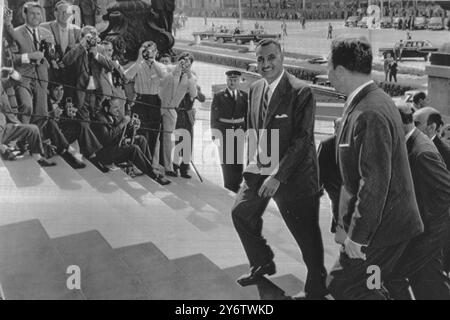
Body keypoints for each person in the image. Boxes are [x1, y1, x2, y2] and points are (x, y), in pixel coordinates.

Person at [326, 36, 423, 300]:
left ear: (341, 71)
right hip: (386, 227)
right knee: (373, 284)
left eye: (329, 66)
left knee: (345, 285)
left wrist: (358, 237)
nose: (327, 72)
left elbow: (374, 181)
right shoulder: (372, 99)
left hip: (380, 231)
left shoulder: (369, 111)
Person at [231, 39, 329, 300]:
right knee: (240, 212)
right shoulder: (254, 90)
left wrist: (278, 176)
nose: (265, 64)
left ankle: (316, 287)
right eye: (260, 59)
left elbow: (303, 139)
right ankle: (262, 262)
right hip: (262, 168)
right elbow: (255, 130)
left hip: (295, 176)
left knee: (306, 235)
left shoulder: (301, 91)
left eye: (271, 57)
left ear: (282, 57)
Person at [383, 105, 450, 300]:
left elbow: (446, 190)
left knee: (395, 275)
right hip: (422, 229)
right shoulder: (410, 143)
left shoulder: (422, 152)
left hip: (429, 230)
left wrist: (426, 225)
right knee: (429, 280)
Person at [91, 98, 170, 185]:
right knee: (133, 149)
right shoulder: (100, 118)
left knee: (141, 139)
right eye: (115, 107)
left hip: (117, 145)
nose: (118, 110)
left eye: (119, 107)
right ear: (106, 108)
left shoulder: (115, 114)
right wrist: (122, 124)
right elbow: (107, 138)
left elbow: (125, 131)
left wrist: (133, 126)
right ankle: (154, 175)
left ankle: (149, 168)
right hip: (105, 153)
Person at [8, 2, 54, 124]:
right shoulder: (15, 33)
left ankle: (33, 140)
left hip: (41, 78)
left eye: (38, 14)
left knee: (42, 114)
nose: (36, 16)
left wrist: (50, 56)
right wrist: (29, 56)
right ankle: (23, 138)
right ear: (25, 14)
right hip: (22, 77)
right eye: (32, 13)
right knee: (26, 107)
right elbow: (10, 57)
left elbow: (52, 55)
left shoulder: (47, 33)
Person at [47, 83, 106, 172]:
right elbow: (48, 122)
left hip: (62, 133)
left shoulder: (61, 103)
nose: (60, 93)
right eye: (56, 90)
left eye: (61, 89)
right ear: (49, 91)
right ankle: (87, 157)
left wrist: (70, 115)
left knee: (81, 124)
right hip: (53, 137)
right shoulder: (46, 103)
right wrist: (54, 114)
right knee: (80, 126)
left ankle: (92, 156)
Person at [125, 41, 169, 161]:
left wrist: (152, 61)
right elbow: (127, 76)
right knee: (140, 131)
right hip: (141, 99)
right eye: (146, 50)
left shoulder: (160, 66)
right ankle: (139, 160)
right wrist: (139, 59)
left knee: (154, 132)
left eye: (152, 50)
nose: (149, 53)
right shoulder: (138, 65)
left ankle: (149, 161)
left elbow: (164, 77)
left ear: (156, 52)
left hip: (155, 100)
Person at [62, 25, 116, 119]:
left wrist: (96, 55)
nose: (93, 37)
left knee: (96, 122)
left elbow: (111, 66)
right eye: (90, 35)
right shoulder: (75, 48)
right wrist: (82, 46)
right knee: (84, 122)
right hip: (80, 93)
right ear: (82, 37)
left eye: (95, 34)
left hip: (96, 93)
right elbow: (66, 61)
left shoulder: (100, 49)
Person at [159, 52, 197, 177]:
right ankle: (165, 165)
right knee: (165, 139)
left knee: (178, 140)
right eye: (183, 60)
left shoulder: (191, 77)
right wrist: (177, 68)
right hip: (162, 106)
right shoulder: (171, 68)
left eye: (188, 62)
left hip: (175, 110)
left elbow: (193, 94)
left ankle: (177, 167)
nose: (185, 63)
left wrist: (189, 74)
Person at [0, 81, 55, 167]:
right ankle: (4, 148)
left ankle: (37, 157)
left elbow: (8, 111)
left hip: (5, 129)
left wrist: (18, 126)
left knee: (33, 129)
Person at [210, 70, 248, 192]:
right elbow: (214, 116)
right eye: (230, 80)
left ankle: (237, 183)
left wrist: (247, 130)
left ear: (239, 81)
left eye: (235, 80)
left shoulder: (244, 95)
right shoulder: (219, 96)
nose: (232, 82)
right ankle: (229, 184)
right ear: (227, 81)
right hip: (224, 131)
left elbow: (247, 115)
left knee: (238, 158)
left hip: (239, 130)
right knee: (226, 159)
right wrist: (215, 134)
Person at [41, 0, 81, 86]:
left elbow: (77, 51)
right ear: (55, 14)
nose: (65, 15)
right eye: (62, 12)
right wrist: (54, 60)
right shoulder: (45, 27)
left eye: (67, 12)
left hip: (70, 71)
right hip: (51, 69)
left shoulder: (76, 30)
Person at [173, 85, 205, 178]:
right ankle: (174, 167)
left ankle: (184, 169)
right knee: (176, 144)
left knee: (187, 144)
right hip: (177, 116)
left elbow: (202, 98)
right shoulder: (175, 83)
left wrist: (193, 88)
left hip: (188, 118)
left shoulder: (194, 86)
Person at [317, 118, 342, 234]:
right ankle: (338, 227)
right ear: (335, 128)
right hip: (332, 182)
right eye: (339, 126)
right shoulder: (326, 143)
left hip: (346, 182)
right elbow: (319, 164)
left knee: (340, 205)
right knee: (337, 203)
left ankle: (336, 223)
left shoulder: (351, 141)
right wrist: (318, 185)